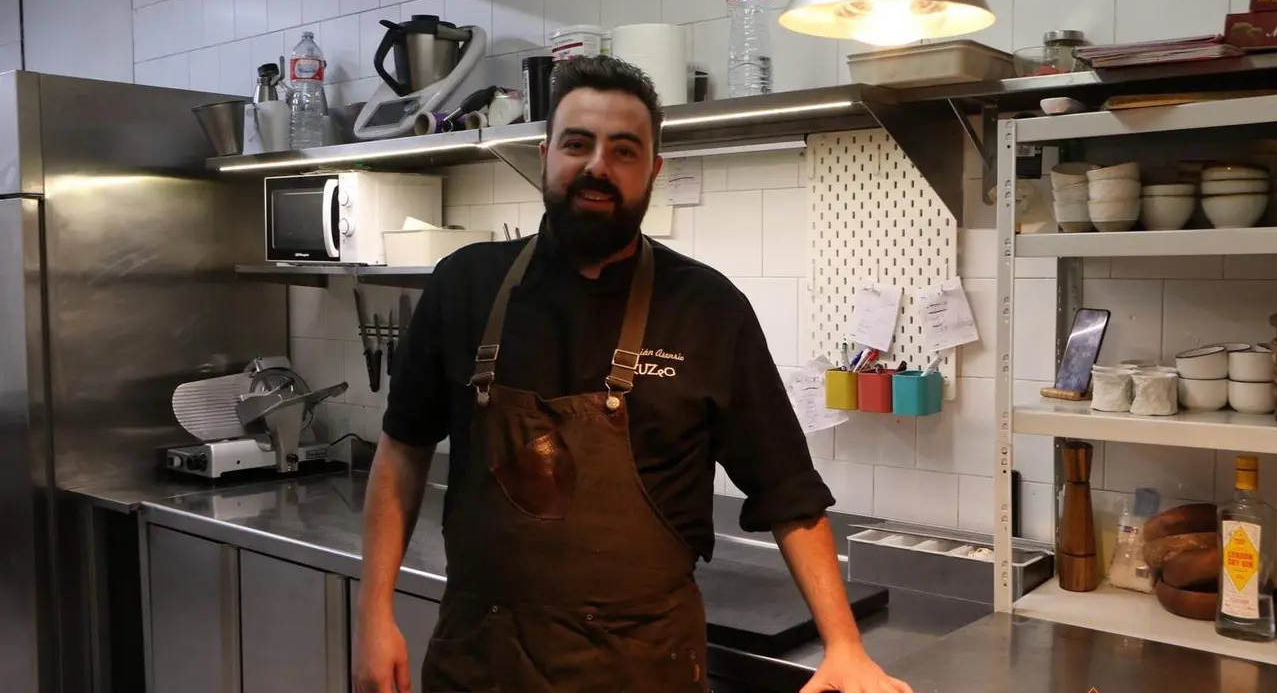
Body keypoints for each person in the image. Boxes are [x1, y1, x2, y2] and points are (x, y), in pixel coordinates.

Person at [353, 55, 912, 693]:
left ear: (653, 170)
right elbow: (401, 454)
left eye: (624, 150)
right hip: (481, 663)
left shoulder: (706, 309)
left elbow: (787, 491)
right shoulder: (464, 285)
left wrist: (844, 645)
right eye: (577, 143)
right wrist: (374, 616)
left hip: (645, 666)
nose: (598, 166)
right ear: (544, 155)